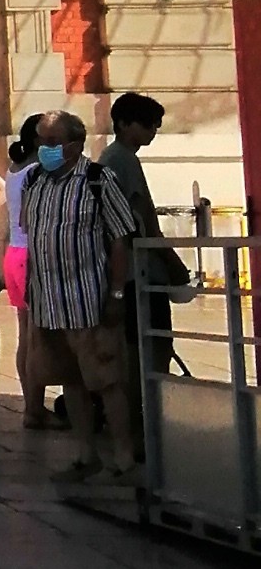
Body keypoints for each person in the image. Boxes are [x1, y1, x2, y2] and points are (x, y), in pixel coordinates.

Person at [19, 112, 137, 485]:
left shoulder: (98, 180)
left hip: (89, 299)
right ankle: (86, 453)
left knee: (106, 379)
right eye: (40, 142)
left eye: (52, 143)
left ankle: (123, 455)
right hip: (49, 302)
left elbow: (120, 238)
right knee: (69, 380)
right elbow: (32, 235)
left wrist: (117, 292)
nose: (44, 150)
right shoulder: (34, 180)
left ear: (73, 145)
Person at [103, 91, 182, 410]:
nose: (153, 130)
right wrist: (170, 257)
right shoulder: (122, 160)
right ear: (124, 124)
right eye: (148, 124)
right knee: (153, 342)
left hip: (132, 268)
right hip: (139, 269)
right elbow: (141, 220)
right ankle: (150, 411)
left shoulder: (115, 158)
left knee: (139, 343)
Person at [5, 116, 55, 428]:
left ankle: (31, 405)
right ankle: (35, 408)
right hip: (32, 255)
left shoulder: (14, 168)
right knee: (37, 338)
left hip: (15, 253)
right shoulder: (37, 171)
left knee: (26, 336)